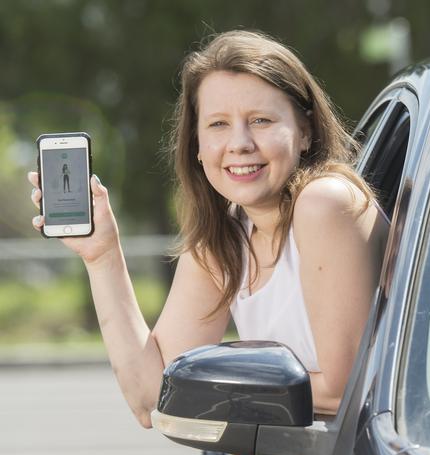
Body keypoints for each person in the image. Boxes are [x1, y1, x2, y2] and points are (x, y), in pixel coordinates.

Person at [28, 30, 388, 427]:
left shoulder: (326, 203)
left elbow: (345, 392)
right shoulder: (225, 239)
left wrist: (213, 382)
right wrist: (103, 256)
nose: (239, 143)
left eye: (261, 120)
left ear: (304, 131)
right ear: (197, 146)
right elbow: (152, 398)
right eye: (218, 124)